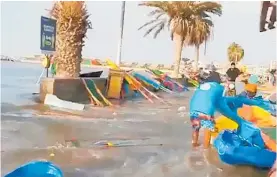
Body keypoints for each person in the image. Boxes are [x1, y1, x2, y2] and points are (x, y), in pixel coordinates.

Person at [189, 82, 224, 148]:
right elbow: (219, 105)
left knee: (196, 128)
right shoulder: (220, 88)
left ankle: (194, 144)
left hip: (193, 107)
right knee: (208, 128)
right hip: (206, 110)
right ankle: (206, 148)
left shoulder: (202, 86)